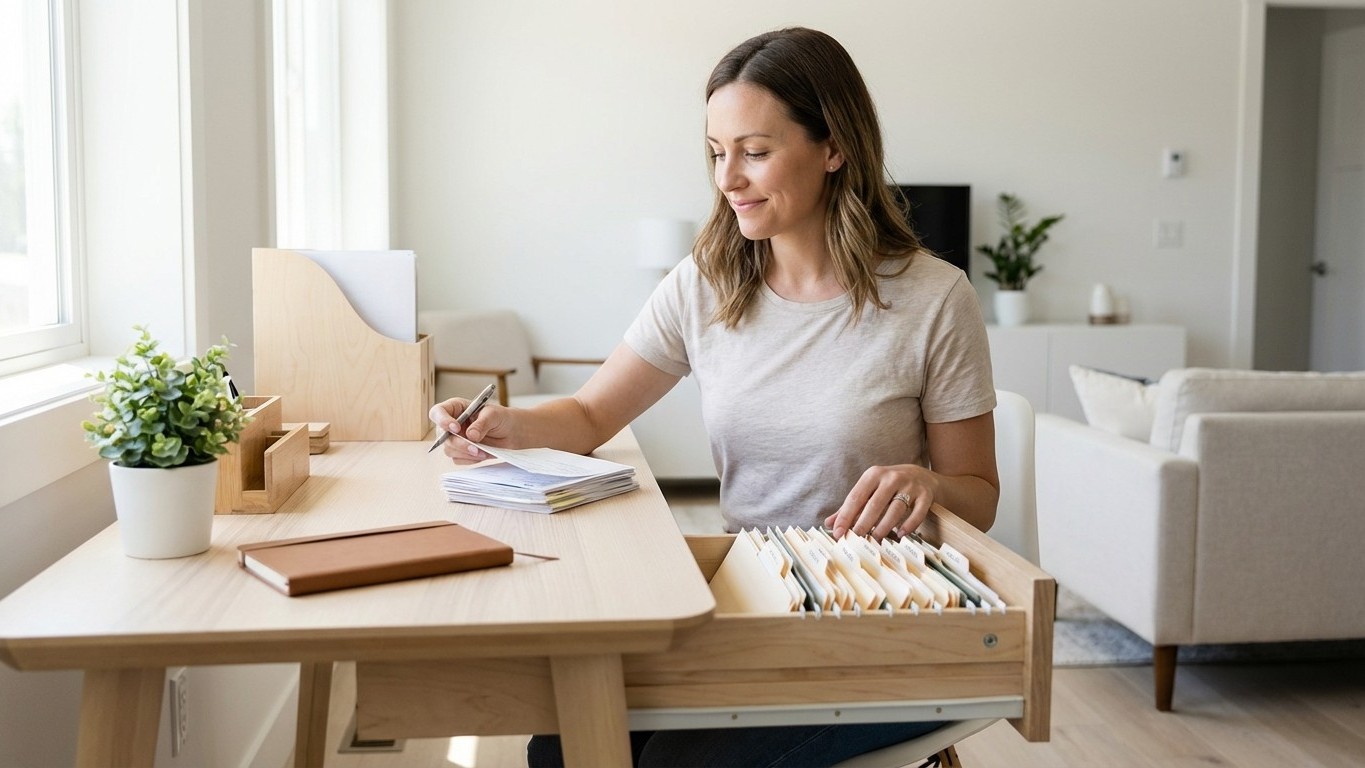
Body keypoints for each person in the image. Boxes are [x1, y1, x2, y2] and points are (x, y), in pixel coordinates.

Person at [431, 25, 998, 768]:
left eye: (755, 151)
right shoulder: (706, 283)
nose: (728, 177)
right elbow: (593, 413)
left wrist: (926, 483)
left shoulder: (931, 298)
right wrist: (506, 424)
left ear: (833, 148)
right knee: (565, 737)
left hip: (877, 619)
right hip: (752, 599)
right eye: (715, 153)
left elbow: (978, 495)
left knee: (671, 761)